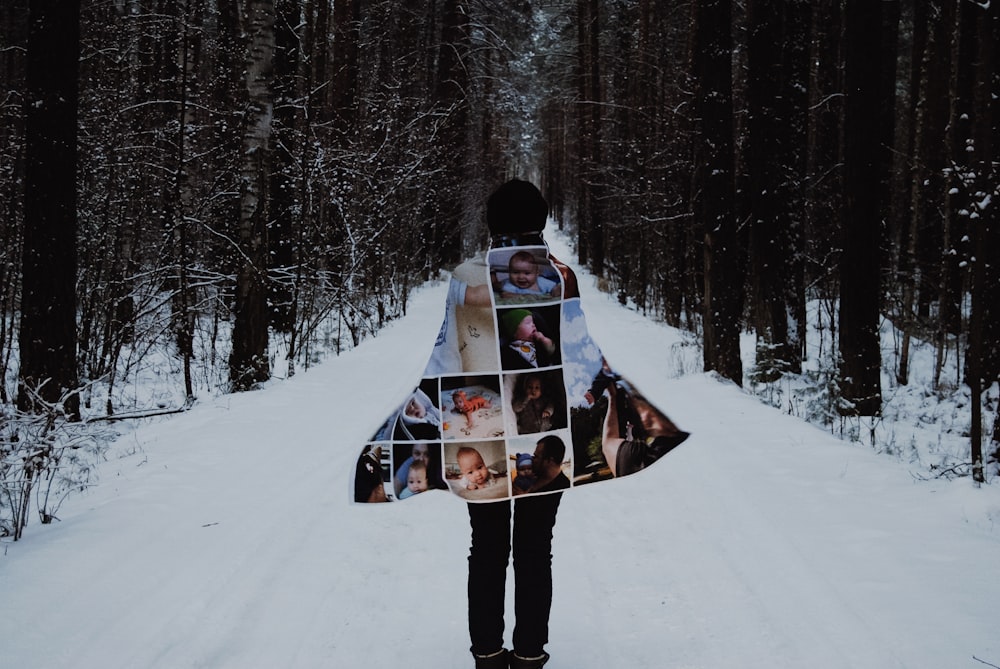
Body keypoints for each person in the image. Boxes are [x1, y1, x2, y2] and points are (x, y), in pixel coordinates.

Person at [467, 179, 565, 669]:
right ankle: (529, 654)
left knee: (486, 545)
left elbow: (453, 358)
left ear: (491, 223)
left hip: (483, 428)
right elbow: (578, 356)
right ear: (541, 222)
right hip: (548, 435)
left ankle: (486, 652)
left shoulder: (468, 277)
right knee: (534, 546)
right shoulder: (562, 276)